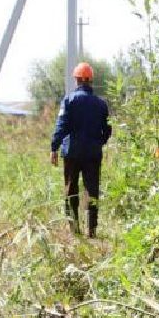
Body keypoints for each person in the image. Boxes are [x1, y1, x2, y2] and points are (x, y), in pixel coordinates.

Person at [50, 62, 112, 237]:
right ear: (91, 80)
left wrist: (54, 147)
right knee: (92, 190)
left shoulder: (69, 100)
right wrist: (99, 142)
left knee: (70, 189)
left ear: (76, 80)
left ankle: (74, 229)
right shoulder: (101, 104)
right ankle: (91, 231)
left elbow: (61, 125)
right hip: (93, 153)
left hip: (72, 152)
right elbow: (108, 129)